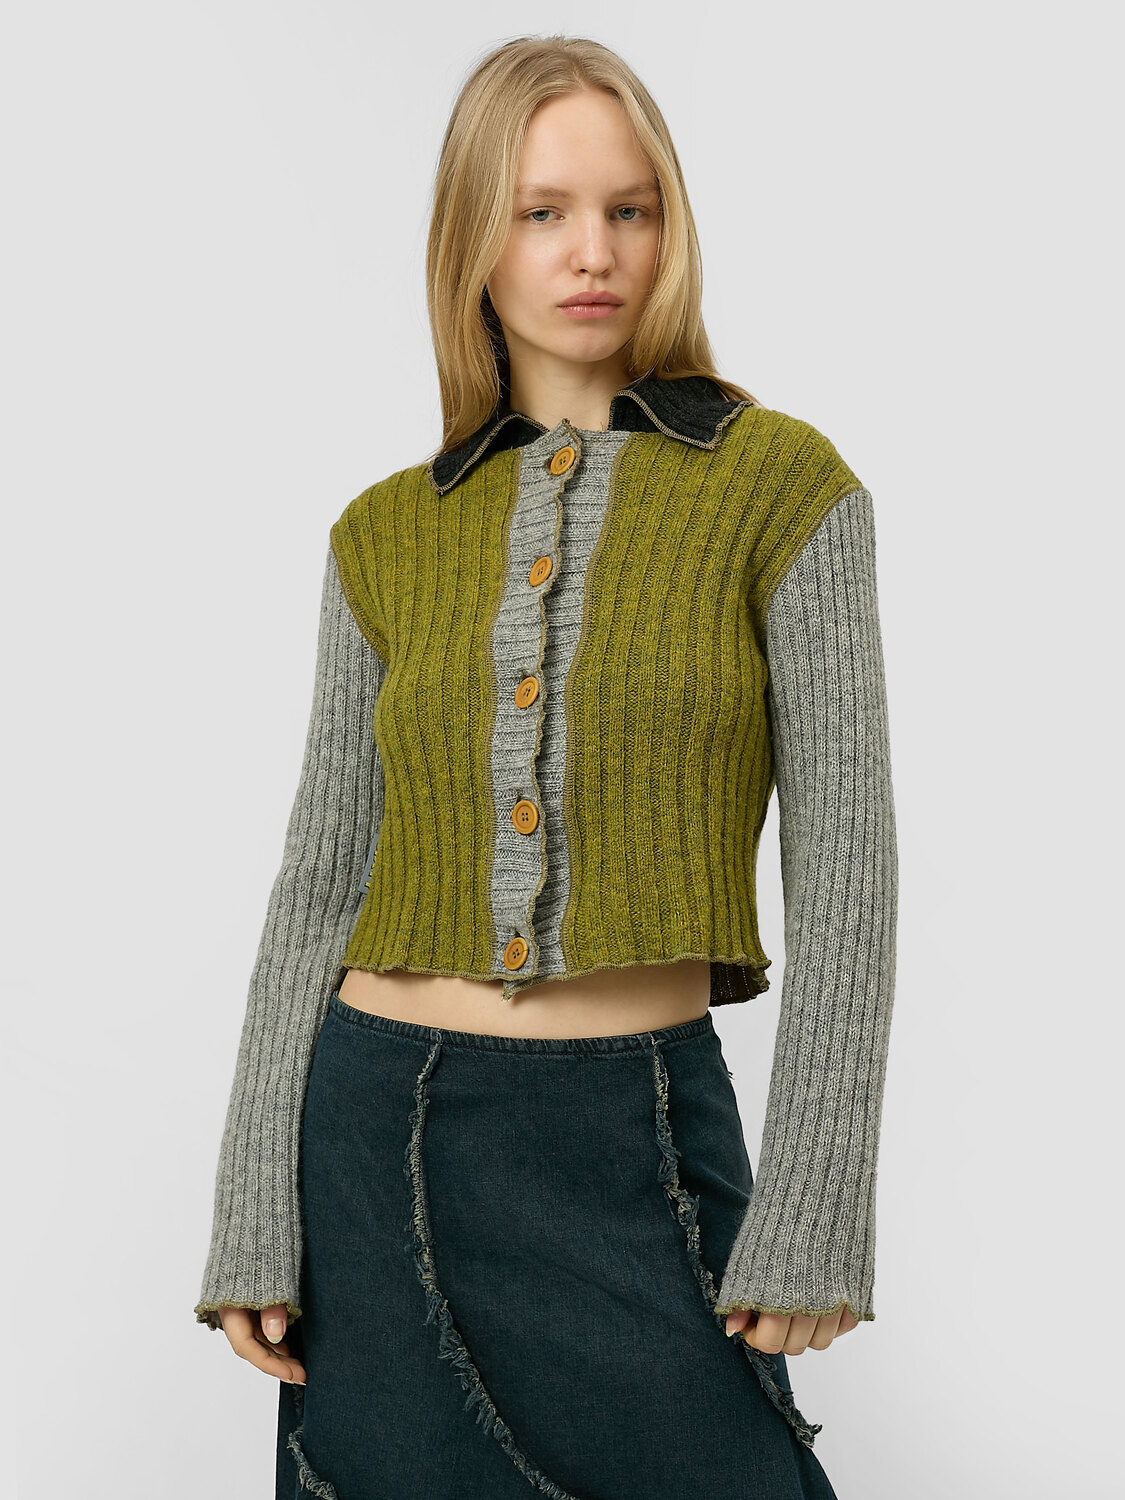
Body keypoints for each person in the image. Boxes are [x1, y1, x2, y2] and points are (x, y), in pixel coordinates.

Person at [194, 33, 898, 1500]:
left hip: (634, 1134)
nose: (593, 252)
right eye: (542, 211)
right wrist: (254, 1202)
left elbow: (848, 870)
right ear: (474, 238)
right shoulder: (384, 533)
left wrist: (818, 1199)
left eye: (630, 209)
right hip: (374, 1145)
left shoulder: (784, 490)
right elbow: (318, 883)